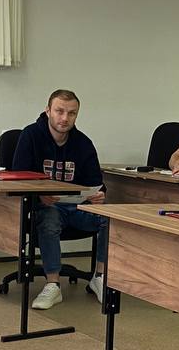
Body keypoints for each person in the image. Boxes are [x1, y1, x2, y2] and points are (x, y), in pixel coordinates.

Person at [11, 89, 108, 310]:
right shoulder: (30, 135)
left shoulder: (83, 143)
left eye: (72, 113)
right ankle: (53, 284)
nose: (65, 118)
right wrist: (39, 195)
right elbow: (18, 178)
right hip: (44, 207)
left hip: (77, 207)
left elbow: (96, 182)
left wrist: (100, 194)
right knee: (50, 218)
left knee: (108, 218)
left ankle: (100, 277)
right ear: (48, 111)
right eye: (59, 111)